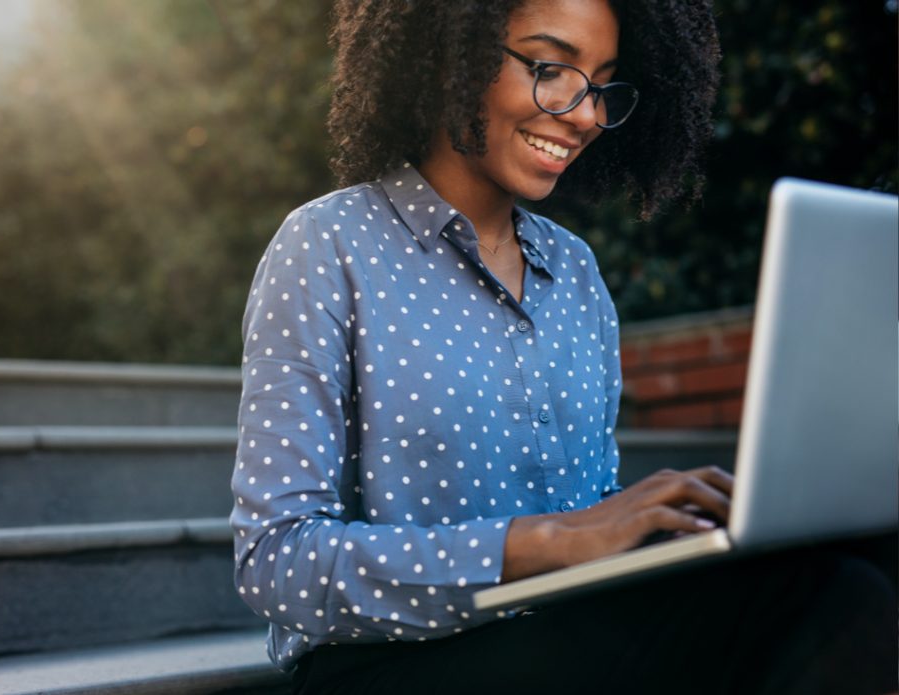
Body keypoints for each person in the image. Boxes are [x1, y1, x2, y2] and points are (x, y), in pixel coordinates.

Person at [230, 1, 898, 693]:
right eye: (551, 68)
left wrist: (661, 534)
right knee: (828, 600)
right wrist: (548, 541)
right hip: (389, 663)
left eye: (602, 84)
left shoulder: (574, 271)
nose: (585, 115)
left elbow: (593, 507)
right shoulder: (328, 245)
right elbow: (276, 562)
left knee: (852, 567)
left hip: (564, 635)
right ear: (446, 54)